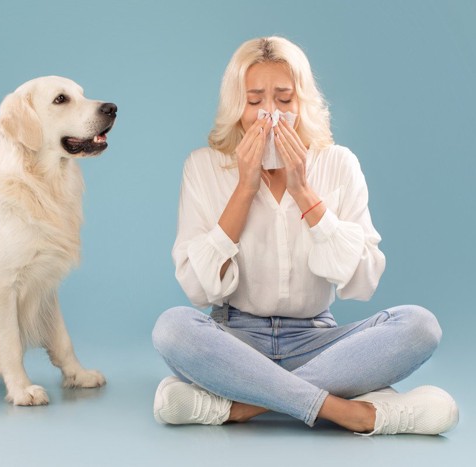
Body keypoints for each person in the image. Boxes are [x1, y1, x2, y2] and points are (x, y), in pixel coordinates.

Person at [151, 36, 459, 435]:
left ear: (302, 104)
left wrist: (303, 192)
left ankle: (244, 407)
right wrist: (244, 188)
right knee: (172, 328)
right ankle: (353, 412)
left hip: (319, 341)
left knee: (420, 325)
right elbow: (197, 287)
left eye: (283, 100)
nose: (270, 115)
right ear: (236, 106)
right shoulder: (204, 166)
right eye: (255, 100)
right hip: (235, 342)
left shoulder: (339, 163)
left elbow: (363, 279)